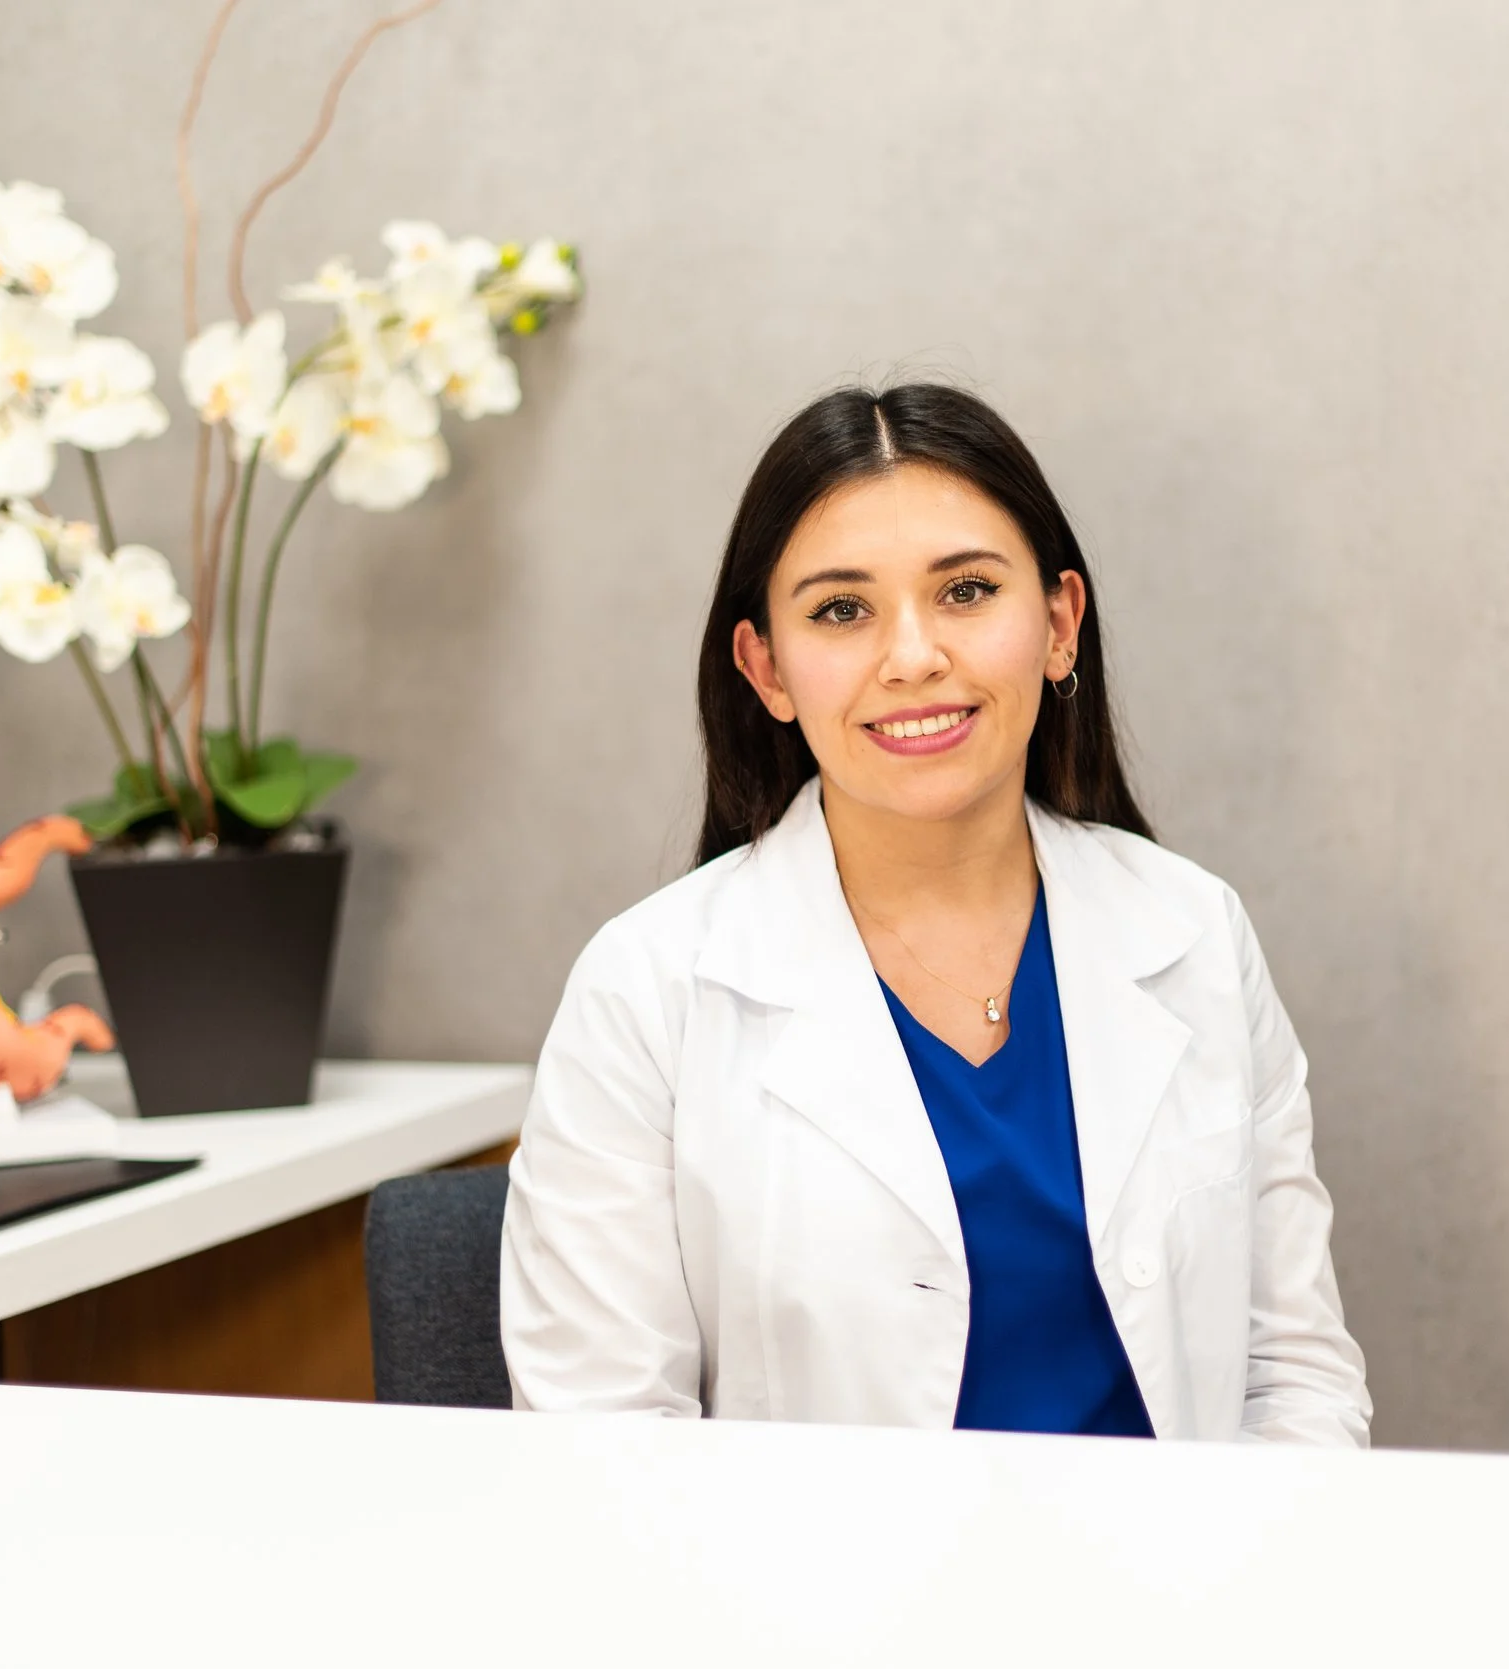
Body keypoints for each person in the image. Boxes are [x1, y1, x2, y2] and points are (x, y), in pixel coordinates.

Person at [500, 383, 1369, 1444]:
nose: (911, 656)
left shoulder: (1194, 930)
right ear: (765, 669)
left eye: (964, 592)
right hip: (811, 1606)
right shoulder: (646, 987)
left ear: (1058, 624)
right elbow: (603, 1442)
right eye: (840, 610)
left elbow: (1294, 1377)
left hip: (1179, 1594)